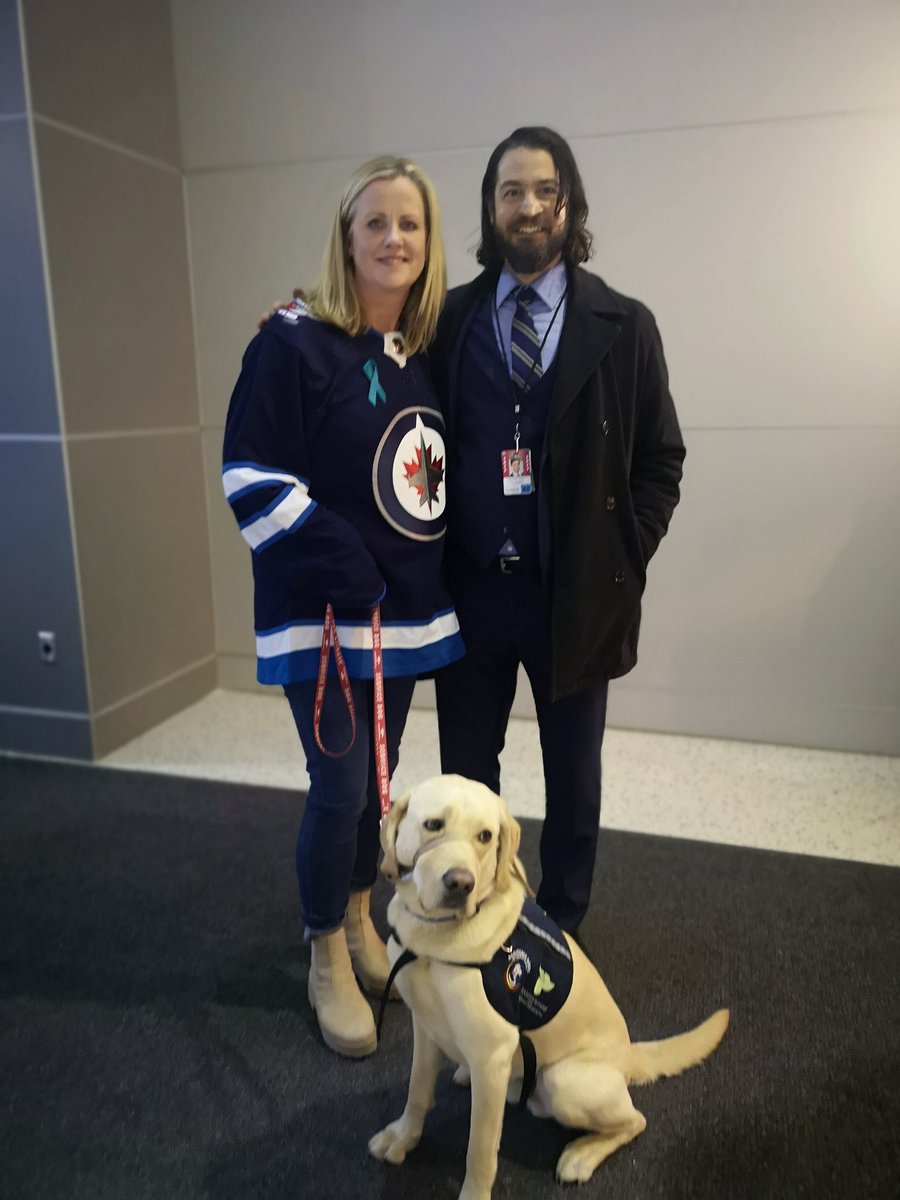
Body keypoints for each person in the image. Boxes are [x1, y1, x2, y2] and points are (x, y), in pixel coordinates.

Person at [222, 156, 463, 1058]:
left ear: (428, 241)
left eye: (411, 224)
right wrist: (342, 560)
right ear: (347, 236)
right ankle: (326, 947)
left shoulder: (422, 348)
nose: (394, 239)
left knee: (379, 792)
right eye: (376, 223)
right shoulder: (289, 343)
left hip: (398, 621)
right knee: (342, 786)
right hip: (322, 617)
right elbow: (249, 475)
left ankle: (363, 917)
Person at [430, 127, 685, 935]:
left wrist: (622, 553)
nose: (529, 205)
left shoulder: (625, 325)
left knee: (573, 775)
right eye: (512, 191)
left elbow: (661, 460)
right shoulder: (448, 319)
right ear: (491, 207)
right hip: (470, 588)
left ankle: (560, 926)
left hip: (572, 593)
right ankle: (472, 909)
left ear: (568, 204)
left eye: (545, 190)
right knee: (467, 775)